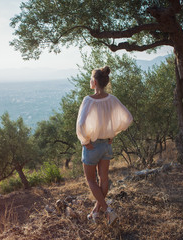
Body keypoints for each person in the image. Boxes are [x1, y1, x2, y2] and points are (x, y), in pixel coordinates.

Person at [76, 66, 133, 224]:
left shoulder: (88, 100)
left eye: (90, 79)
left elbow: (80, 125)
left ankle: (107, 210)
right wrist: (113, 133)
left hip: (92, 146)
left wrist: (85, 141)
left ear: (94, 82)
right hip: (107, 145)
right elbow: (128, 118)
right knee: (104, 179)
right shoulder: (112, 99)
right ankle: (95, 212)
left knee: (91, 181)